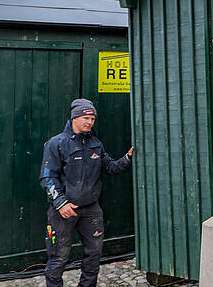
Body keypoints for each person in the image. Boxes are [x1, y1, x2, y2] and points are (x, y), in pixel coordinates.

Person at [39, 99, 133, 287]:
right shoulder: (57, 143)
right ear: (74, 117)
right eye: (86, 117)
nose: (90, 122)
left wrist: (127, 158)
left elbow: (110, 167)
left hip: (91, 210)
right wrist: (61, 203)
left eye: (92, 118)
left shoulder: (95, 144)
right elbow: (47, 177)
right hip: (64, 211)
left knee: (94, 255)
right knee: (58, 257)